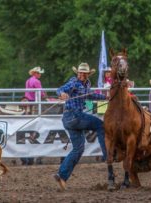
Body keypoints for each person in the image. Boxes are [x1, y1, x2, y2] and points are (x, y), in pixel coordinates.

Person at [53, 62, 108, 190]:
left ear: (88, 74)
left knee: (78, 149)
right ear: (77, 73)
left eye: (84, 73)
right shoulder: (74, 82)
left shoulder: (87, 84)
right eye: (80, 72)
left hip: (70, 119)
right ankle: (107, 156)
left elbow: (90, 95)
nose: (81, 74)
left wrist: (105, 97)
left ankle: (61, 176)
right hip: (74, 116)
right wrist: (61, 94)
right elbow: (60, 89)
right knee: (100, 125)